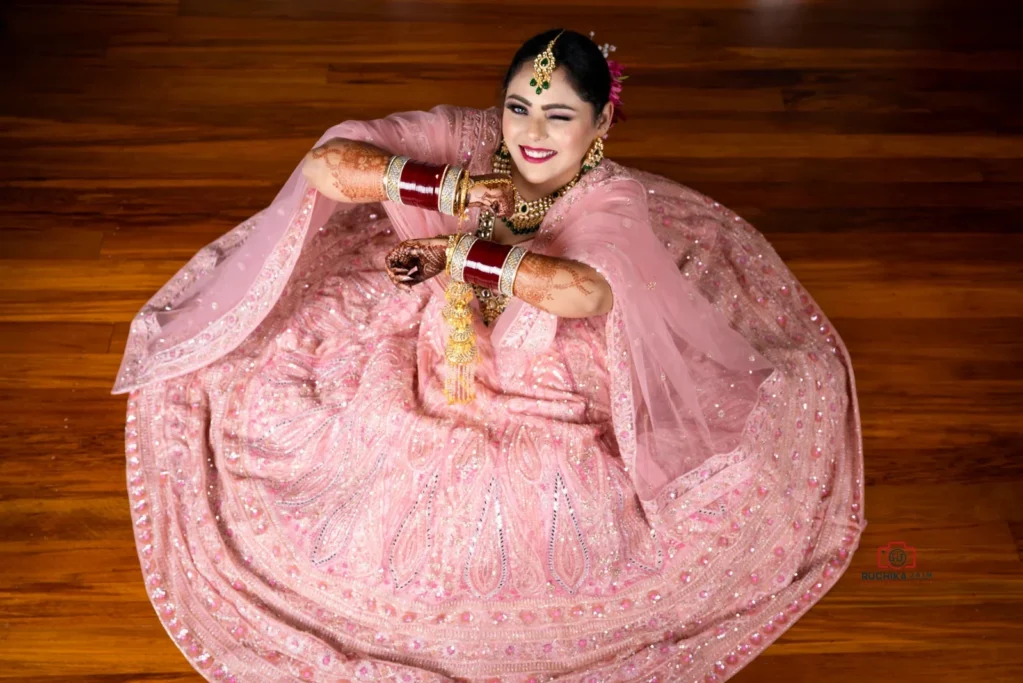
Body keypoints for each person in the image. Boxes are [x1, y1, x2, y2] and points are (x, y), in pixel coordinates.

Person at [114, 28, 866, 683]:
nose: (532, 131)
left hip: (555, 369)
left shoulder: (610, 198)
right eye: (519, 107)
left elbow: (581, 293)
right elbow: (325, 163)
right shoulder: (476, 142)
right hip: (435, 335)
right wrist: (450, 183)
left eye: (560, 114)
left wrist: (453, 250)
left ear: (602, 122)